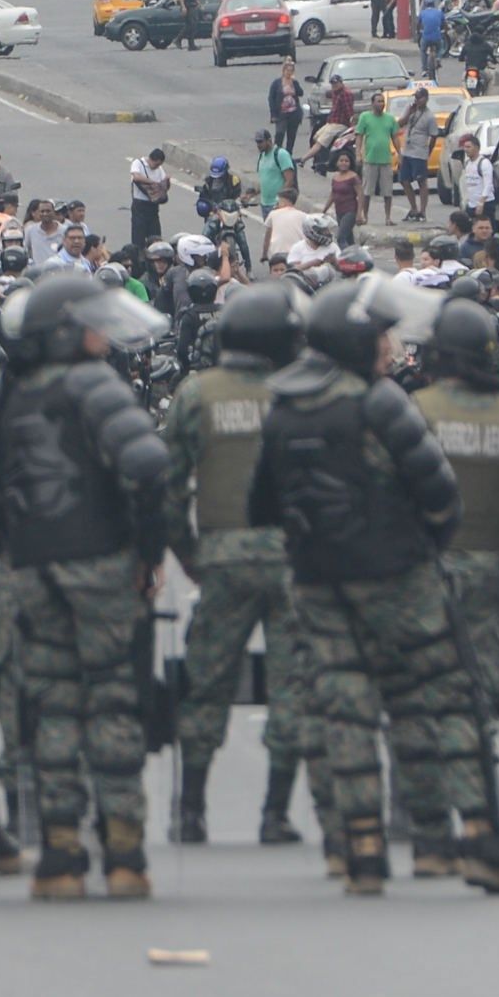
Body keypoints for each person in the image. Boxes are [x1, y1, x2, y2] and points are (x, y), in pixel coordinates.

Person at [248, 285, 496, 895]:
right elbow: (441, 496)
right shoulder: (381, 402)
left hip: (318, 584)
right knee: (437, 702)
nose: (392, 347)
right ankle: (466, 841)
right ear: (359, 344)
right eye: (382, 337)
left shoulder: (283, 408)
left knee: (346, 714)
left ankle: (361, 850)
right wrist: (421, 547)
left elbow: (261, 507)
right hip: (399, 578)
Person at [0, 272, 176, 900]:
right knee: (113, 702)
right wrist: (149, 552)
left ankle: (60, 852)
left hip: (32, 569)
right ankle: (123, 852)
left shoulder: (9, 396)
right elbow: (148, 465)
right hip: (99, 565)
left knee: (52, 707)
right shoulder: (95, 384)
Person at [162, 283, 321, 850]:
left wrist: (188, 553)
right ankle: (276, 813)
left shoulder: (197, 393)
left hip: (224, 556)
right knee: (294, 685)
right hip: (295, 562)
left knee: (205, 684)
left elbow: (168, 486)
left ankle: (190, 811)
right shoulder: (302, 393)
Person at [409, 299, 499, 878]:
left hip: (421, 572)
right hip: (488, 573)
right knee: (479, 691)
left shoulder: (414, 412)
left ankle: (428, 828)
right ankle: (481, 811)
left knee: (421, 686)